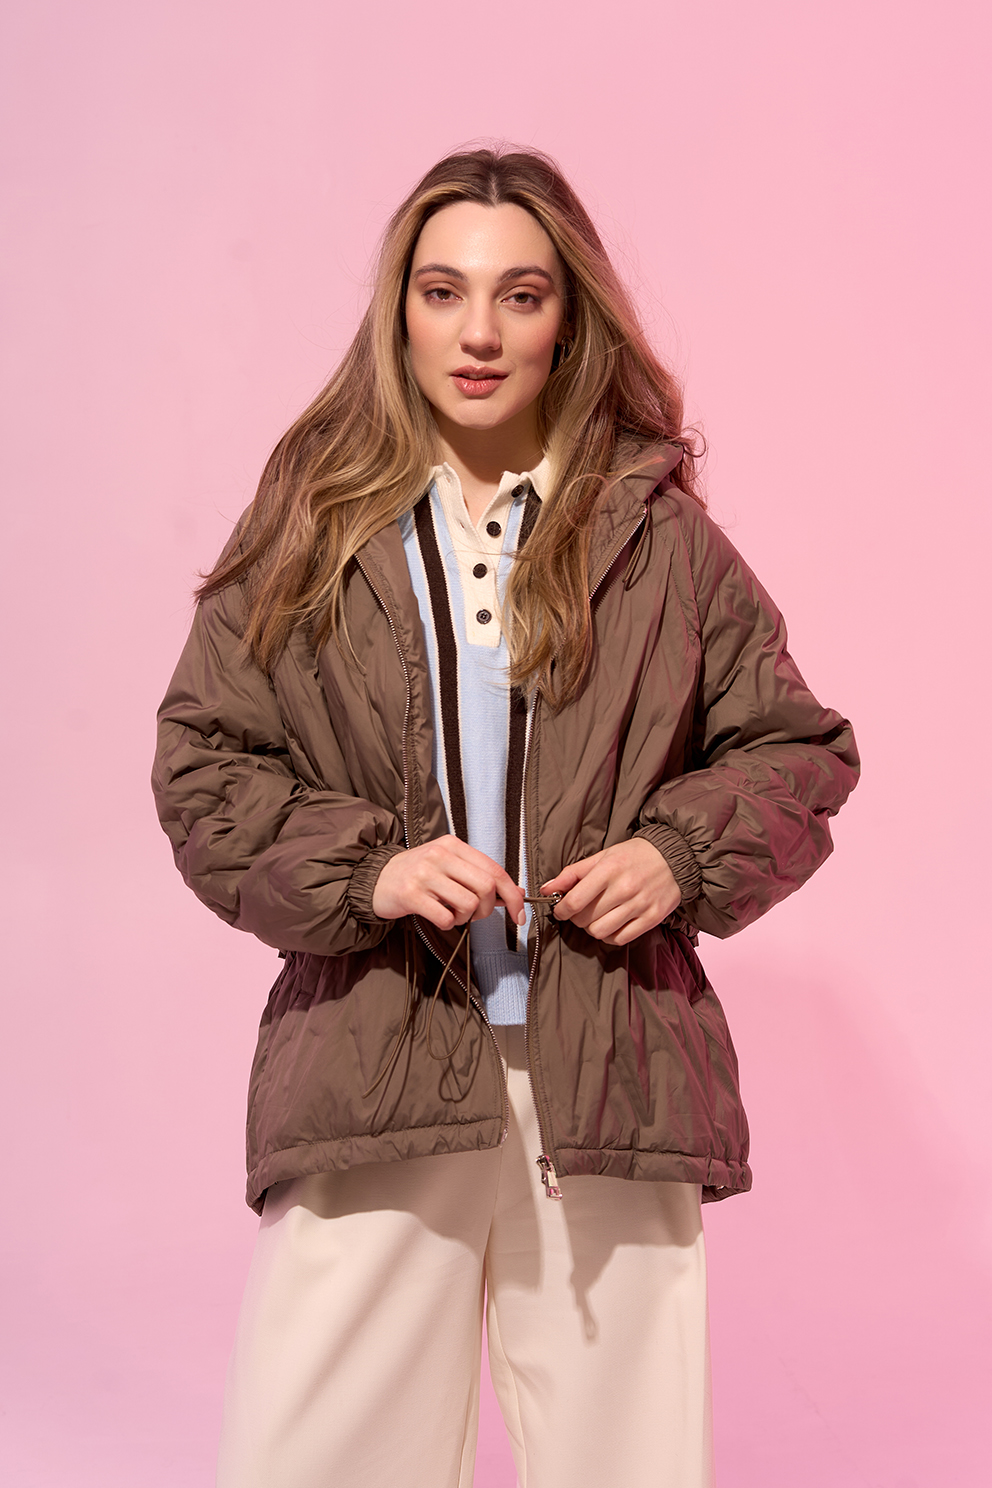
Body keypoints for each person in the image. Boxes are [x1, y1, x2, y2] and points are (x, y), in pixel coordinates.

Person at [152, 146, 859, 1488]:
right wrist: (368, 870)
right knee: (318, 1461)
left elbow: (794, 750)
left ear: (567, 320)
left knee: (626, 1466)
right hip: (377, 1052)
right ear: (400, 313)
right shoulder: (311, 525)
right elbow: (205, 765)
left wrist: (677, 854)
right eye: (443, 292)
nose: (478, 332)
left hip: (613, 1068)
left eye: (519, 295)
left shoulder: (660, 540)